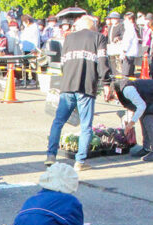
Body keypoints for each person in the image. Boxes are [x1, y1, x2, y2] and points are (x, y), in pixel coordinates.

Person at [44, 15, 112, 173]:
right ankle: (80, 161)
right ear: (92, 26)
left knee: (58, 121)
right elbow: (103, 62)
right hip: (86, 86)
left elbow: (63, 64)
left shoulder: (69, 38)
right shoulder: (99, 38)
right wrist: (107, 83)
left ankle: (51, 155)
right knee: (86, 126)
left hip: (67, 85)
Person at [107, 78, 153, 162]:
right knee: (143, 117)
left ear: (114, 92)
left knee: (148, 120)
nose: (116, 100)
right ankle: (146, 148)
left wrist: (131, 123)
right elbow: (138, 107)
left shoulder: (127, 90)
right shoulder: (122, 87)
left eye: (113, 97)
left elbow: (141, 106)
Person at [120, 12, 140, 78]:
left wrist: (123, 51)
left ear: (130, 19)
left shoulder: (130, 29)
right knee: (130, 73)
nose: (124, 21)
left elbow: (127, 42)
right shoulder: (131, 28)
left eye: (126, 19)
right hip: (130, 54)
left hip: (128, 54)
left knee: (126, 74)